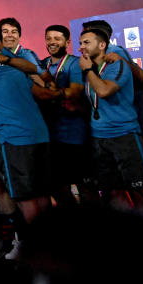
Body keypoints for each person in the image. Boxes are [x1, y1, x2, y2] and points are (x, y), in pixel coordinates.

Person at [0, 22, 51, 260]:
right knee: (42, 193)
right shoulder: (16, 62)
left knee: (25, 197)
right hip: (40, 133)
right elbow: (37, 79)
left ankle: (36, 248)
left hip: (13, 137)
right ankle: (47, 243)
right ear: (0, 41)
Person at [79, 28, 143, 216]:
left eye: (86, 42)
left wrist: (89, 70)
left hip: (124, 136)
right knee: (114, 191)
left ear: (102, 45)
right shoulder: (88, 70)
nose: (81, 47)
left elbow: (104, 91)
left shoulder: (116, 66)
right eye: (80, 43)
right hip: (99, 139)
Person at [36, 25, 92, 205]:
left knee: (85, 186)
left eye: (57, 38)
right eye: (49, 38)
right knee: (58, 187)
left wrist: (48, 93)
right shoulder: (41, 64)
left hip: (75, 135)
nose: (52, 42)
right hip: (50, 136)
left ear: (67, 42)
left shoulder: (75, 63)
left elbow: (75, 93)